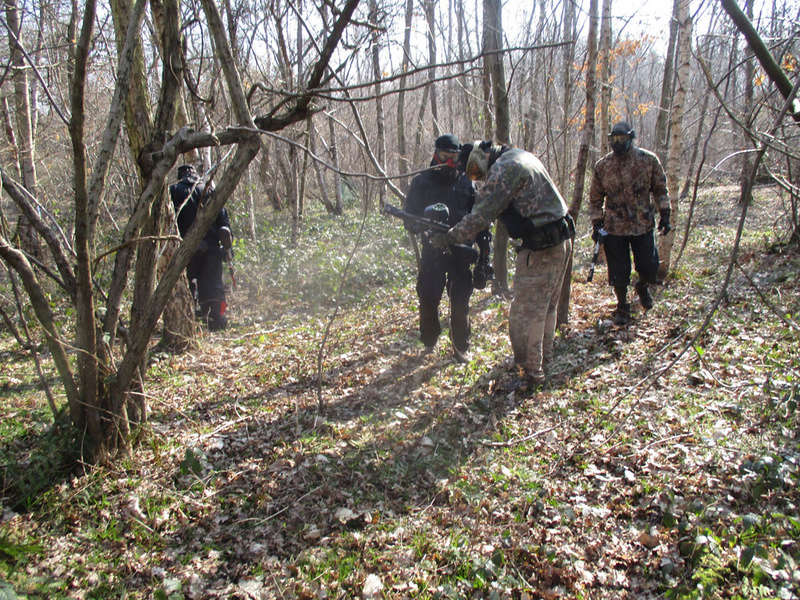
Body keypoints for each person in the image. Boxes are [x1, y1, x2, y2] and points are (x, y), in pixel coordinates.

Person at [435, 140, 574, 384]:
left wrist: (448, 237)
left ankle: (530, 371)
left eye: (476, 172)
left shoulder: (503, 170)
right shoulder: (518, 156)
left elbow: (479, 217)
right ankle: (544, 360)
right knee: (546, 308)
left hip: (541, 249)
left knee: (525, 315)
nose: (478, 177)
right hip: (559, 241)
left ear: (484, 155)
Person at [403, 134, 491, 363]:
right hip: (433, 251)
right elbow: (409, 221)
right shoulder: (422, 182)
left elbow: (481, 221)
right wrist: (424, 222)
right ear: (435, 154)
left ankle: (461, 346)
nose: (450, 161)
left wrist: (484, 259)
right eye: (445, 155)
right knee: (428, 298)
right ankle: (429, 341)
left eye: (454, 156)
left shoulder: (467, 182)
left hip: (462, 252)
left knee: (460, 302)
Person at [588, 121, 671, 325]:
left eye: (622, 138)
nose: (618, 143)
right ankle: (622, 305)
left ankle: (642, 287)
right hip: (614, 227)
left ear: (631, 138)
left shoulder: (648, 160)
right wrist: (596, 224)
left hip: (642, 224)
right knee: (618, 271)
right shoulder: (602, 166)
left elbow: (660, 188)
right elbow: (595, 199)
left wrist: (665, 213)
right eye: (614, 139)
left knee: (649, 267)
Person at [169, 164, 233, 331]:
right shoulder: (209, 189)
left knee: (188, 284)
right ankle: (216, 319)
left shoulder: (173, 191)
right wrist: (228, 249)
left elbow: (169, 222)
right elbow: (223, 222)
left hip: (185, 248)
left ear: (180, 176)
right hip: (212, 248)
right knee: (213, 285)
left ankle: (190, 321)